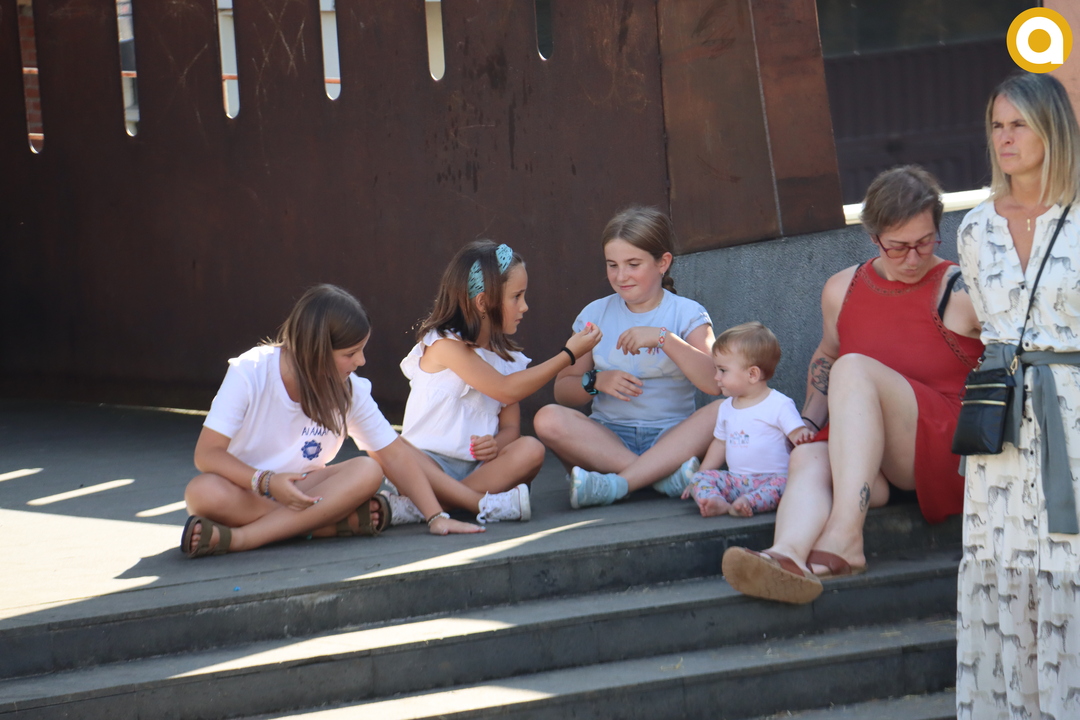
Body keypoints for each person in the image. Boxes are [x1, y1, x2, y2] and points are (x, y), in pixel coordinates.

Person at [721, 166, 984, 603]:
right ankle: (785, 557)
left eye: (924, 242)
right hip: (874, 460)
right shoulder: (842, 288)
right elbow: (826, 355)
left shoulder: (962, 291)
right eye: (898, 246)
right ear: (873, 237)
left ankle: (845, 536)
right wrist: (807, 423)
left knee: (854, 367)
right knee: (809, 455)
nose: (913, 258)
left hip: (946, 448)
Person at [181, 284, 483, 557]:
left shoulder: (349, 389)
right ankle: (324, 526)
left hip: (308, 490)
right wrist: (267, 481)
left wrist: (436, 517)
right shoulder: (250, 371)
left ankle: (243, 538)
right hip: (248, 488)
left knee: (368, 469)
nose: (361, 361)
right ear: (315, 350)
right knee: (202, 493)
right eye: (351, 353)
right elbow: (207, 454)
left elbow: (394, 455)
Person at [954, 72, 1080, 719]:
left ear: (1051, 130)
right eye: (997, 126)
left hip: (1074, 413)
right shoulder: (975, 227)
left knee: (1070, 559)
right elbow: (985, 324)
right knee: (1002, 567)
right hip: (1003, 423)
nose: (1004, 138)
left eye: (1019, 125)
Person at [392, 240, 602, 523]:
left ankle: (426, 506)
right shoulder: (444, 345)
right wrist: (568, 356)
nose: (524, 306)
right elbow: (504, 389)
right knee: (393, 446)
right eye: (516, 297)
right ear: (483, 302)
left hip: (479, 469)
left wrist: (495, 443)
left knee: (531, 449)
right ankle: (473, 502)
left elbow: (511, 428)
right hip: (427, 465)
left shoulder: (507, 360)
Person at [532, 206, 720, 508]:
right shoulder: (595, 314)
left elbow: (715, 382)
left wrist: (665, 339)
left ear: (663, 262)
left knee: (723, 411)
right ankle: (659, 478)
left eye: (633, 264)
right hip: (608, 439)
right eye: (612, 265)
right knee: (547, 418)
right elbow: (563, 391)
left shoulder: (687, 313)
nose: (621, 276)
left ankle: (620, 482)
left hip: (672, 437)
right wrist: (596, 381)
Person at [680, 322, 813, 518]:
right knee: (700, 478)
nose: (716, 377)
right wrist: (700, 476)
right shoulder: (726, 407)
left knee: (787, 484)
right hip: (736, 481)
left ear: (752, 374)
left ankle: (747, 503)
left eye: (723, 370)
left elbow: (795, 432)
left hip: (772, 479)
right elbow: (720, 444)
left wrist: (802, 434)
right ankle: (718, 502)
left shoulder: (779, 404)